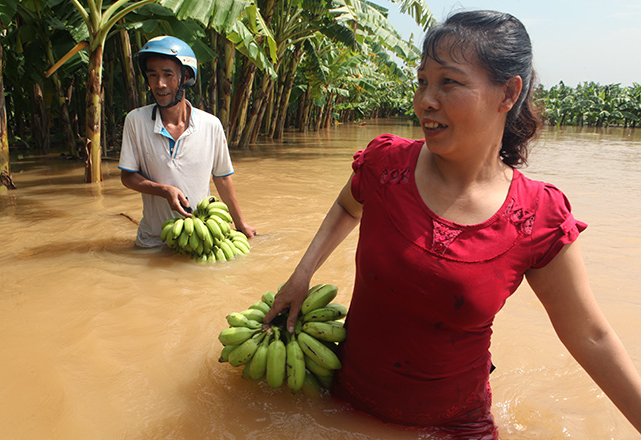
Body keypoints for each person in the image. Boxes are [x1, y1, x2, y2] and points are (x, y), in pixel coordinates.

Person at [263, 10, 641, 438]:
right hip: (347, 409)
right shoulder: (387, 167)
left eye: (449, 82)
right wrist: (301, 274)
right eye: (423, 80)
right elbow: (348, 207)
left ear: (508, 93)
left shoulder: (538, 216)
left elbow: (591, 336)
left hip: (457, 428)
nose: (426, 99)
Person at [119, 36, 256, 248]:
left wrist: (241, 224)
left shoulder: (211, 125)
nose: (159, 84)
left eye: (168, 75)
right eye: (152, 75)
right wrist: (164, 190)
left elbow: (223, 179)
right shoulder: (135, 121)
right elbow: (127, 177)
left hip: (201, 238)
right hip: (153, 240)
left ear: (186, 76)